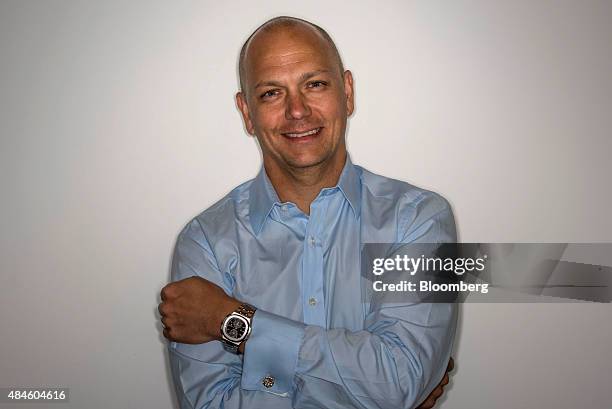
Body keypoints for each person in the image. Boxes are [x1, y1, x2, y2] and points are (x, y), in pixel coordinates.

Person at [158, 16, 457, 409]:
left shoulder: (423, 220)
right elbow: (211, 404)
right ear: (246, 112)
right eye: (271, 94)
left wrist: (236, 322)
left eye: (314, 84)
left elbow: (401, 382)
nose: (297, 110)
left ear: (347, 92)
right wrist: (371, 390)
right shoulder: (204, 243)